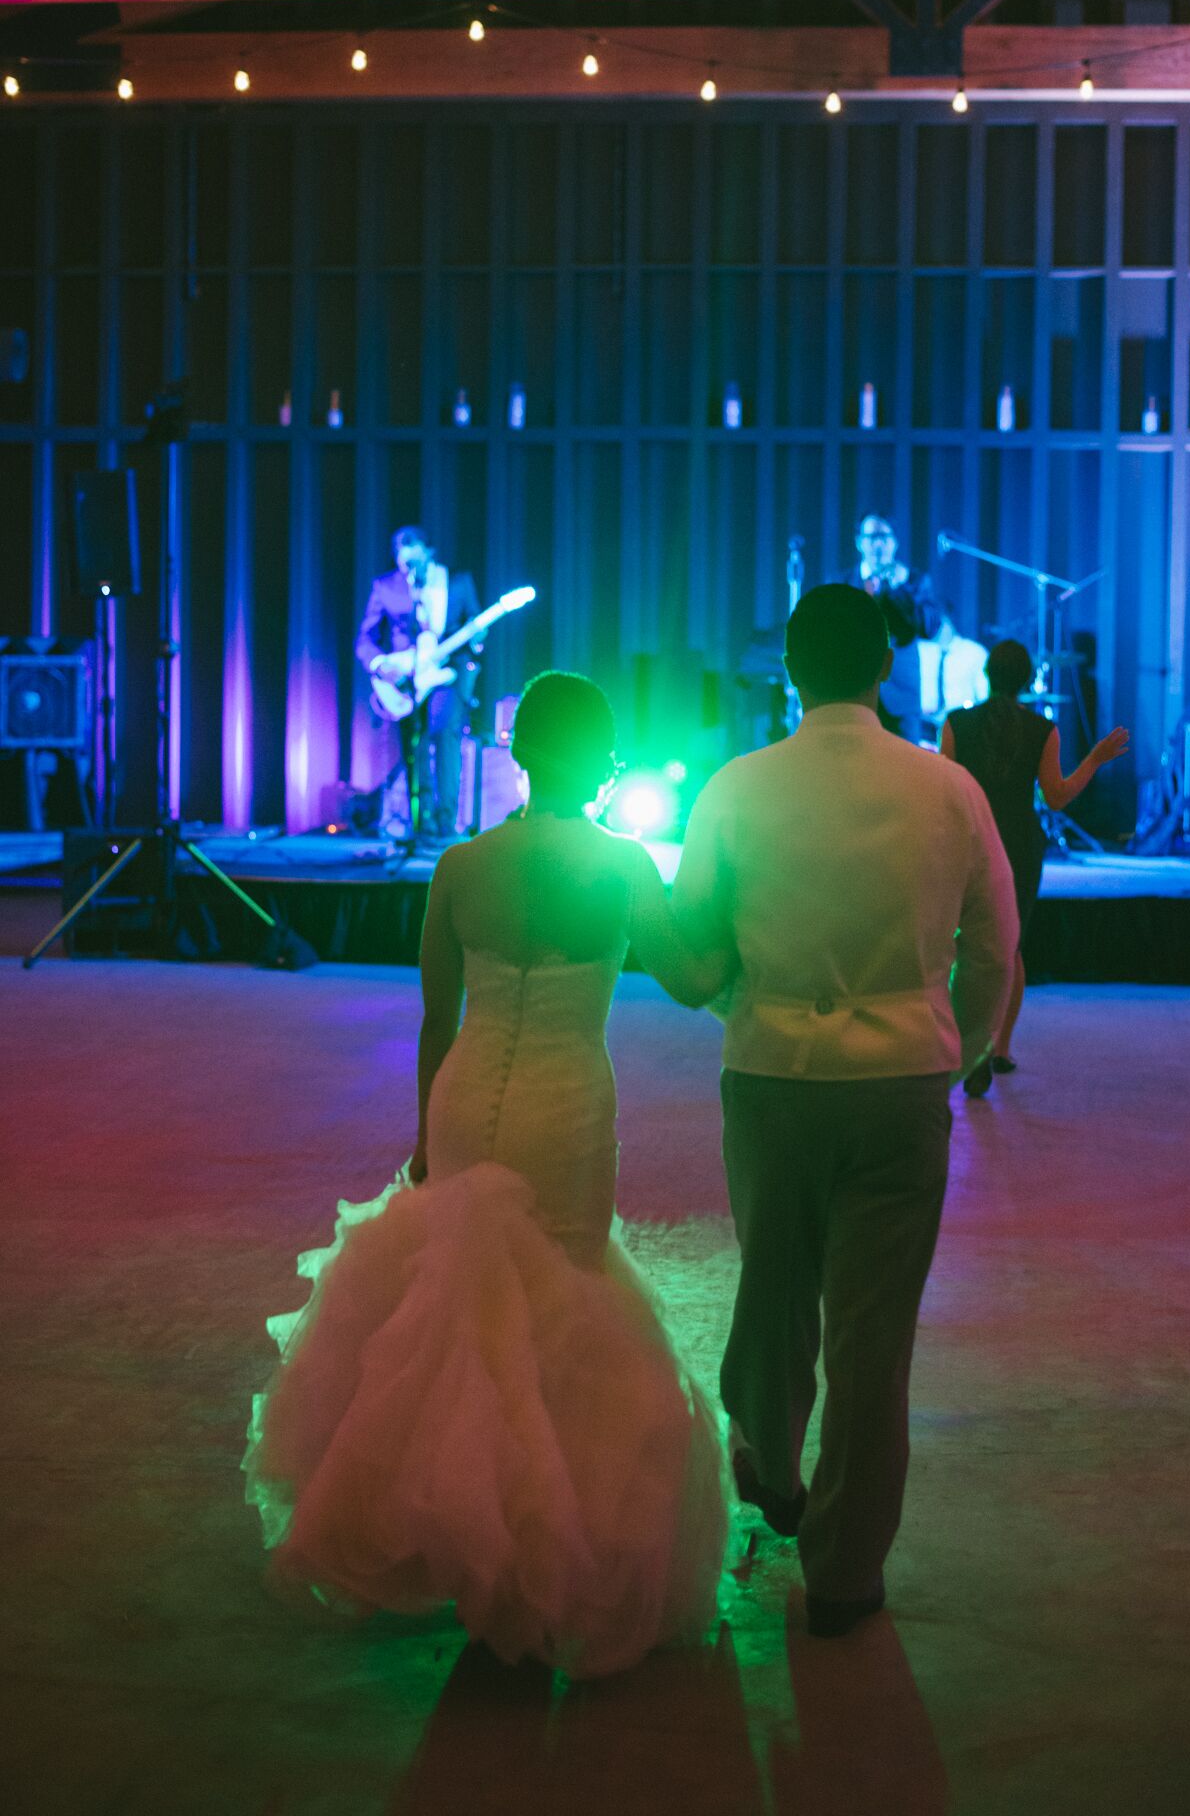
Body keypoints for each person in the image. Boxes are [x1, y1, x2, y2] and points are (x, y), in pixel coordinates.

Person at [244, 673, 734, 1678]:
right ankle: (539, 1533)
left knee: (465, 1305)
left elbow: (434, 1017)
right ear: (604, 762)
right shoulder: (623, 865)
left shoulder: (461, 864)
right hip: (568, 1104)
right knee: (563, 1298)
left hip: (467, 1093)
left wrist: (427, 1132)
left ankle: (461, 1527)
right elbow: (692, 982)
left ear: (516, 754)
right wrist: (740, 903)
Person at [671, 583, 1017, 1638]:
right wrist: (955, 1047)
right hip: (903, 1078)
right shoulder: (946, 786)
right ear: (885, 669)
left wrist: (741, 998)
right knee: (875, 1332)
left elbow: (694, 945)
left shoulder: (736, 786)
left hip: (774, 1070)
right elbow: (997, 943)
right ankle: (845, 1571)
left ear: (787, 669)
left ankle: (772, 1463)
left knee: (774, 1284)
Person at [941, 640, 1128, 1093]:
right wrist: (1095, 759)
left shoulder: (956, 724)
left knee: (961, 943)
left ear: (986, 673)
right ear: (1028, 680)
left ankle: (965, 1046)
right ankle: (999, 1048)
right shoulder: (1043, 729)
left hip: (969, 840)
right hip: (1019, 844)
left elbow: (945, 790)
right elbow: (1056, 797)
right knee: (1009, 947)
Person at [355, 527, 480, 841]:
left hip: (447, 673)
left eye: (413, 558)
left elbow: (475, 629)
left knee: (444, 733)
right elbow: (365, 639)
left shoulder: (458, 583)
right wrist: (381, 664)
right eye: (401, 559)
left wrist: (477, 639)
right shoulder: (386, 587)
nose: (407, 566)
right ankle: (420, 824)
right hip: (406, 680)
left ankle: (446, 823)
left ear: (428, 551)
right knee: (417, 745)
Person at [847, 513, 941, 744]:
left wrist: (900, 587)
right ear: (859, 542)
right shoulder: (842, 582)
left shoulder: (914, 581)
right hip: (853, 692)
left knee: (904, 772)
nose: (879, 544)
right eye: (872, 537)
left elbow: (929, 628)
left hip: (900, 695)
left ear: (895, 543)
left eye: (885, 537)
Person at [918, 606, 990, 734]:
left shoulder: (975, 653)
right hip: (924, 727)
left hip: (962, 728)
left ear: (947, 621)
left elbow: (985, 699)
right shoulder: (920, 651)